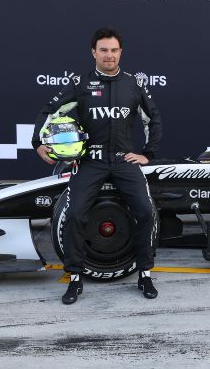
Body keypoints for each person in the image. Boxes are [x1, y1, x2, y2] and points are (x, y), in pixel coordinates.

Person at [32, 27, 162, 304]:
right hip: (90, 160)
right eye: (103, 50)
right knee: (76, 214)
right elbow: (50, 111)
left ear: (120, 52)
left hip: (124, 160)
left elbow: (154, 119)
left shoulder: (133, 84)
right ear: (94, 52)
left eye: (114, 50)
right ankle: (75, 279)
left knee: (145, 212)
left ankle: (145, 274)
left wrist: (148, 154)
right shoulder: (80, 83)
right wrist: (38, 143)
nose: (109, 55)